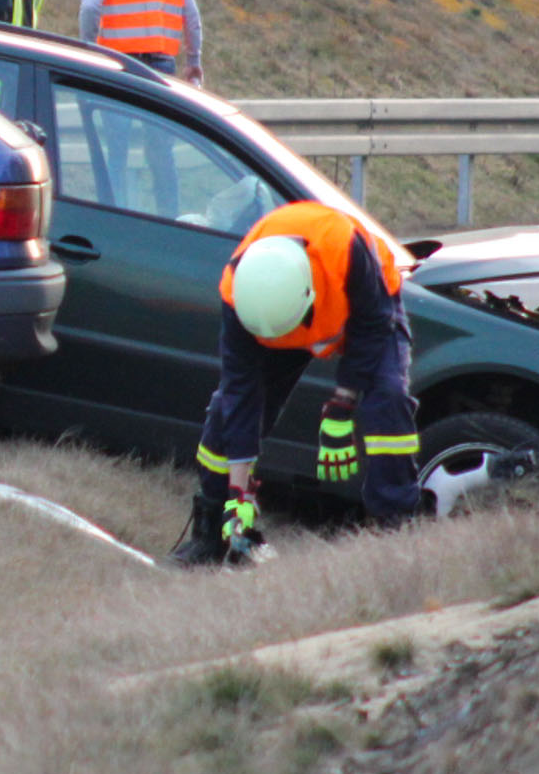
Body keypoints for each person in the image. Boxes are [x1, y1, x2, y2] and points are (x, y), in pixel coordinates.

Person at [176, 199, 425, 566]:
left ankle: (394, 533)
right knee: (223, 414)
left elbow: (373, 330)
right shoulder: (238, 291)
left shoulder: (344, 247)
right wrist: (237, 495)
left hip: (365, 316)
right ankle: (211, 535)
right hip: (277, 321)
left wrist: (341, 406)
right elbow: (240, 395)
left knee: (387, 399)